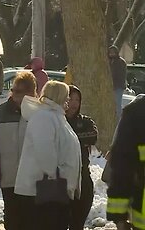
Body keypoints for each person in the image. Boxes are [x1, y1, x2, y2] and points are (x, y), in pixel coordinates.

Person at [15, 81, 82, 230]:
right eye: (67, 97)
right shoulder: (44, 117)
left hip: (55, 189)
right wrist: (56, 173)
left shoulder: (56, 116)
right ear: (58, 96)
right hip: (45, 191)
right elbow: (45, 151)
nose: (69, 101)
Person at [0, 71, 37, 230]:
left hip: (33, 179)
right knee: (12, 219)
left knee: (31, 220)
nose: (14, 94)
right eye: (13, 90)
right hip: (9, 177)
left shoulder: (38, 113)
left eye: (18, 91)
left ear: (30, 92)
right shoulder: (1, 112)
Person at [106, 96, 145, 230]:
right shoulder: (135, 112)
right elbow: (122, 168)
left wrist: (119, 217)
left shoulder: (135, 112)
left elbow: (121, 168)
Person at [66, 85, 98, 230]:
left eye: (77, 100)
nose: (73, 103)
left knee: (78, 222)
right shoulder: (57, 120)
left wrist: (72, 138)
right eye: (70, 99)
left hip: (82, 176)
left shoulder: (85, 121)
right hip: (62, 178)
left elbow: (92, 136)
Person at [108, 45, 127, 119]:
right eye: (110, 52)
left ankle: (119, 119)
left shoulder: (120, 62)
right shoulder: (109, 61)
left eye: (113, 52)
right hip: (110, 86)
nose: (111, 54)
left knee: (117, 104)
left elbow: (120, 74)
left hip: (118, 86)